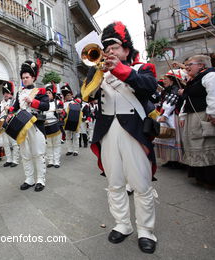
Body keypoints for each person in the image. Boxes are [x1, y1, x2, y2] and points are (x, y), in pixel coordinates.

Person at [82, 22, 158, 253]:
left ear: (126, 49)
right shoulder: (98, 72)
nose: (109, 51)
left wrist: (119, 70)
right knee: (114, 183)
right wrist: (98, 72)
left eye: (114, 47)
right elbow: (86, 95)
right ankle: (122, 224)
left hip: (134, 132)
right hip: (107, 132)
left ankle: (146, 230)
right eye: (106, 48)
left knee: (141, 184)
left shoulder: (142, 68)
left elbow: (149, 87)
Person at [178, 55, 215, 186]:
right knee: (196, 146)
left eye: (189, 64)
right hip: (194, 116)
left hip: (204, 116)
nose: (186, 67)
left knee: (206, 145)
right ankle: (201, 176)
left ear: (201, 65)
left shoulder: (212, 76)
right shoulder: (195, 79)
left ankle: (213, 179)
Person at [8, 60, 49, 192]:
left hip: (36, 126)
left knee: (38, 153)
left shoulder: (41, 91)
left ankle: (41, 179)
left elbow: (46, 106)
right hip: (22, 126)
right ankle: (29, 179)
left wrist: (33, 102)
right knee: (25, 154)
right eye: (23, 78)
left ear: (33, 77)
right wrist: (9, 113)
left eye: (27, 77)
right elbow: (15, 108)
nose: (25, 80)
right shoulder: (19, 93)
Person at [154, 70, 186, 167]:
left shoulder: (174, 89)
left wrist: (164, 115)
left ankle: (176, 160)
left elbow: (170, 104)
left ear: (172, 80)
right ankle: (170, 160)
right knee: (167, 137)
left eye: (166, 79)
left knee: (173, 136)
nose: (164, 81)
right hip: (167, 115)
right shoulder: (168, 89)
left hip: (171, 116)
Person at [0, 81, 19, 167]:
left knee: (14, 143)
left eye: (7, 92)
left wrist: (10, 110)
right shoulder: (1, 103)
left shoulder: (14, 101)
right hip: (2, 124)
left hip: (11, 124)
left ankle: (15, 160)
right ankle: (9, 159)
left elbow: (16, 111)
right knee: (5, 143)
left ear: (11, 93)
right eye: (4, 93)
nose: (6, 94)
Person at [44, 83, 62, 168]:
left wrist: (61, 112)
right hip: (46, 127)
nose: (47, 94)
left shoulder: (57, 102)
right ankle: (50, 161)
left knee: (56, 144)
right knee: (49, 145)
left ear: (53, 94)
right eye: (46, 93)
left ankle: (56, 161)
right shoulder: (43, 104)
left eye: (49, 93)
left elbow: (63, 114)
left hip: (55, 126)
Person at [61, 83, 81, 156]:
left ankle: (76, 150)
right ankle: (70, 150)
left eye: (69, 95)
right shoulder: (63, 104)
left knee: (76, 137)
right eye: (67, 95)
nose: (68, 96)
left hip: (75, 122)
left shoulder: (76, 102)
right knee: (68, 137)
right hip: (66, 122)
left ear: (72, 95)